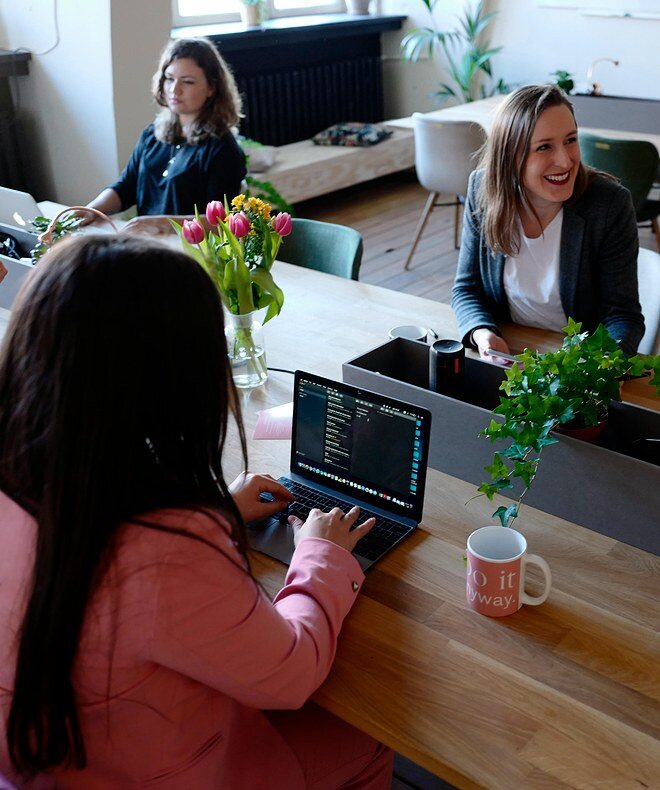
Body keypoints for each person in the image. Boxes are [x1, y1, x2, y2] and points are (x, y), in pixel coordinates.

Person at [0, 235, 393, 788]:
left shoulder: (28, 477)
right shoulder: (163, 549)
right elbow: (292, 674)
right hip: (167, 771)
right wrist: (320, 556)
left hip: (53, 759)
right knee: (369, 739)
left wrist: (217, 511)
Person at [451, 84, 644, 360]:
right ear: (510, 158)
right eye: (544, 147)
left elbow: (622, 316)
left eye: (570, 140)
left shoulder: (608, 204)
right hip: (511, 354)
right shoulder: (482, 189)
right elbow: (467, 288)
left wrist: (595, 368)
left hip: (580, 364)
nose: (565, 161)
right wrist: (483, 334)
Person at [81, 38, 247, 235]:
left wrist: (161, 224)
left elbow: (221, 221)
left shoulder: (223, 148)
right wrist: (90, 210)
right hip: (147, 245)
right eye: (169, 78)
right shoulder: (152, 134)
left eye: (187, 82)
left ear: (212, 88)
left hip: (191, 254)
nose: (174, 90)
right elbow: (126, 187)